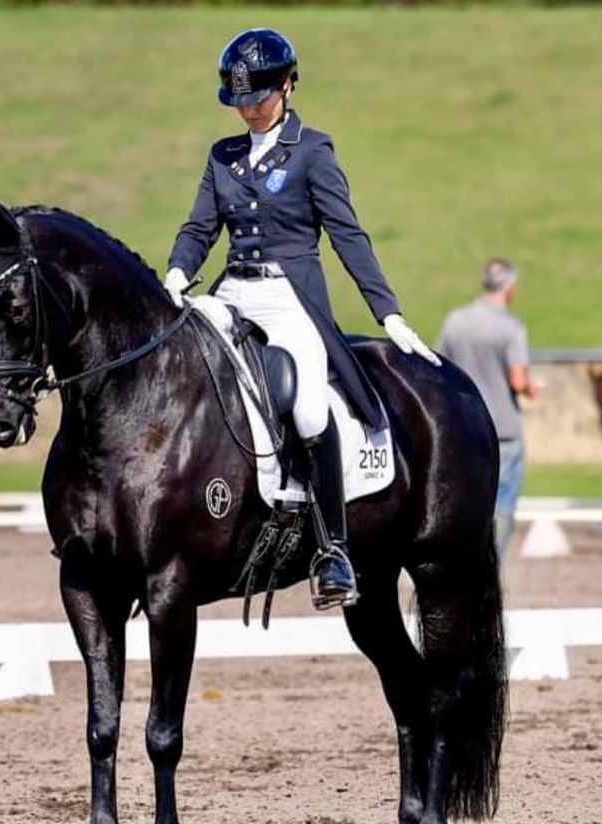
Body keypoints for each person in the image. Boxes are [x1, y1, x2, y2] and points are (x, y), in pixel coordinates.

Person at [164, 27, 439, 610]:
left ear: (288, 86)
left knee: (311, 409)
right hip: (232, 291)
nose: (248, 108)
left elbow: (347, 235)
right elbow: (199, 229)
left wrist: (387, 312)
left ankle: (332, 549)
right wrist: (176, 274)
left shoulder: (313, 151)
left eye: (258, 97)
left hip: (290, 297)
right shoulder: (223, 156)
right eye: (239, 99)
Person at [435, 258, 539, 558]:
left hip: (461, 427)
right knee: (502, 502)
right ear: (509, 288)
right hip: (502, 429)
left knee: (463, 500)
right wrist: (533, 389)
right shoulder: (511, 327)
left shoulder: (455, 320)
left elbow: (439, 367)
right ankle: (490, 563)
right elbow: (518, 381)